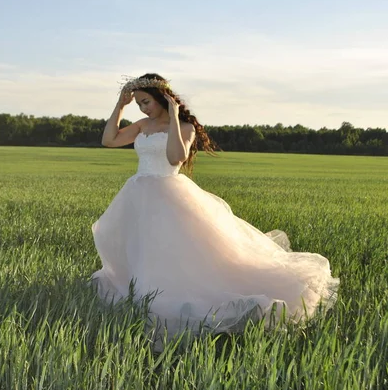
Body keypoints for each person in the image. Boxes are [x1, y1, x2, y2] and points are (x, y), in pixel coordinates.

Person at [91, 73, 339, 339]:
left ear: (162, 99)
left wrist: (174, 117)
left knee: (173, 250)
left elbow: (176, 158)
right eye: (139, 103)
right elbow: (109, 140)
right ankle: (144, 291)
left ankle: (168, 297)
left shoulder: (185, 127)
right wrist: (120, 105)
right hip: (138, 192)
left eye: (146, 102)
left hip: (169, 193)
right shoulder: (141, 125)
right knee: (142, 246)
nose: (143, 108)